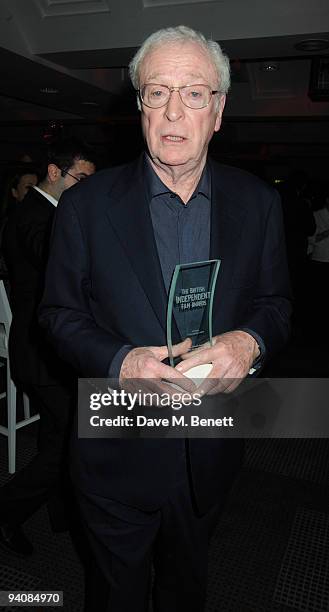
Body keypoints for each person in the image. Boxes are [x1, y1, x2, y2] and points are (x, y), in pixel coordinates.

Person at [39, 27, 291, 612]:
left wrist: (249, 343)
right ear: (139, 107)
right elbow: (56, 314)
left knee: (186, 587)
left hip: (209, 446)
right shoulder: (85, 205)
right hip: (116, 448)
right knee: (115, 595)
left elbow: (276, 305)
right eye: (157, 92)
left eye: (195, 93)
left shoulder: (258, 203)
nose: (174, 111)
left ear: (219, 111)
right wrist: (120, 359)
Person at [0, 140, 96, 556]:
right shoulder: (32, 215)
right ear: (55, 173)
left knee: (59, 431)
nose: (85, 189)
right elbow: (53, 257)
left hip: (47, 350)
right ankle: (6, 512)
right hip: (39, 352)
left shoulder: (50, 212)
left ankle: (60, 510)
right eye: (82, 180)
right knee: (69, 439)